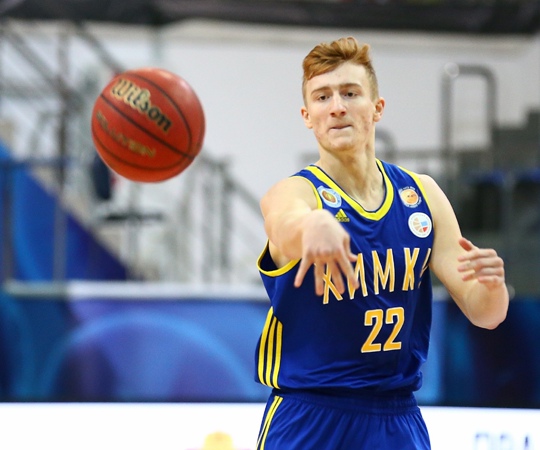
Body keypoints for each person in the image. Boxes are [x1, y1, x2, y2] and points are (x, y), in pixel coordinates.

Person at [254, 36, 509, 449]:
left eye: (350, 93)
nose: (336, 106)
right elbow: (282, 219)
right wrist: (311, 226)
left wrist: (493, 288)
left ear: (377, 108)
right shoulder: (297, 192)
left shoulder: (423, 196)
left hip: (396, 416)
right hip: (309, 415)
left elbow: (485, 314)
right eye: (322, 97)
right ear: (307, 116)